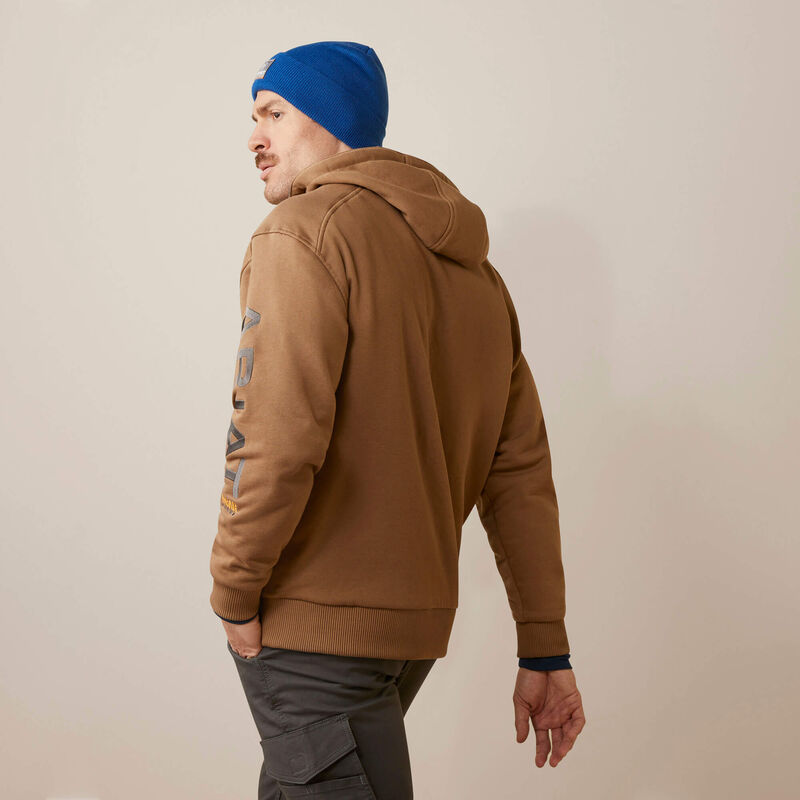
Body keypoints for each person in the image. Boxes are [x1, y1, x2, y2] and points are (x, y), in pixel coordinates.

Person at [209, 40, 586, 800]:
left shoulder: (303, 233)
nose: (253, 137)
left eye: (274, 113)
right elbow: (519, 470)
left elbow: (274, 437)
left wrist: (233, 589)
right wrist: (544, 647)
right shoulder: (477, 276)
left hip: (313, 626)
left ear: (333, 119)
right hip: (406, 636)